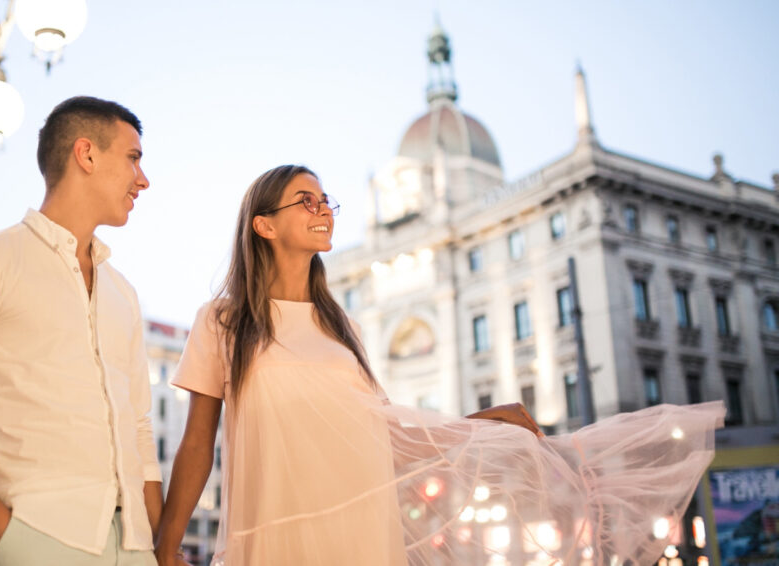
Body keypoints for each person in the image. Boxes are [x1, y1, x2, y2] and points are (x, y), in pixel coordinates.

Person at [154, 164, 723, 565]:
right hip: (271, 533)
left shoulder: (341, 328)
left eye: (326, 199)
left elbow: (381, 428)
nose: (323, 208)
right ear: (264, 224)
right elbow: (198, 440)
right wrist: (167, 545)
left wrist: (479, 424)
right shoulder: (224, 322)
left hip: (360, 533)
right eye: (306, 200)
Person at [0, 96, 160, 566]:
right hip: (34, 538)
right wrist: (3, 534)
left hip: (136, 547)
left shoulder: (124, 294)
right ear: (87, 154)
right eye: (134, 158)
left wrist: (159, 543)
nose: (143, 179)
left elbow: (140, 426)